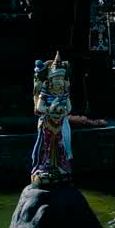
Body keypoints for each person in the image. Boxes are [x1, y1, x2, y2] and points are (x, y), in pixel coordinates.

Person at [30, 54, 73, 184]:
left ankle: (60, 167)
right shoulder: (46, 90)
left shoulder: (64, 93)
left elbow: (69, 107)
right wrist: (51, 109)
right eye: (57, 78)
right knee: (46, 146)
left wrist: (64, 111)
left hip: (59, 122)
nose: (60, 81)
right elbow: (39, 106)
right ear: (51, 79)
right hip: (47, 122)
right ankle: (44, 167)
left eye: (61, 78)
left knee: (60, 145)